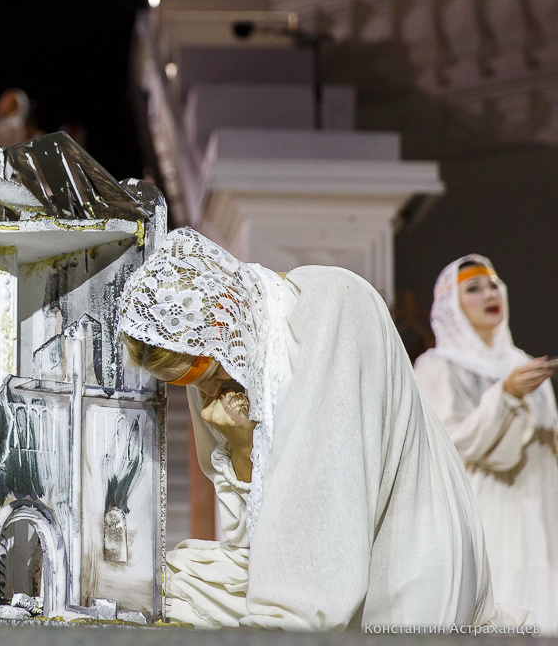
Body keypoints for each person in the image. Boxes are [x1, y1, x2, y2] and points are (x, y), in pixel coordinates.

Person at [118, 228, 531, 630]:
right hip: (320, 563)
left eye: (203, 370)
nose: (207, 389)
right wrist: (242, 446)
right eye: (186, 383)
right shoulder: (226, 365)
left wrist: (275, 621)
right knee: (161, 582)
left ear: (224, 314)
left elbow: (323, 525)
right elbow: (251, 540)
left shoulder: (332, 305)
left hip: (403, 566)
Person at [414, 256, 558, 633]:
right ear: (452, 305)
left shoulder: (523, 363)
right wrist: (505, 395)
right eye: (473, 289)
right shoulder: (436, 367)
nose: (488, 294)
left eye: (493, 284)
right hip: (487, 499)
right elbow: (449, 442)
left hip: (540, 501)